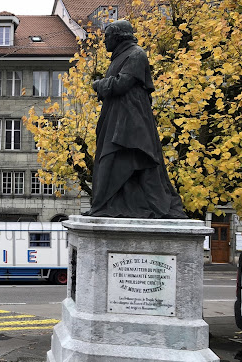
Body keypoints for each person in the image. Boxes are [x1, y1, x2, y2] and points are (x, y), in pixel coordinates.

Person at [87, 20, 187, 218]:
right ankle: (113, 205)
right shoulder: (120, 57)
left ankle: (150, 206)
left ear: (118, 36)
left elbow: (122, 83)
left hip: (131, 119)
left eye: (107, 37)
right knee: (113, 159)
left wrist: (99, 84)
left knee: (126, 158)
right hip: (118, 117)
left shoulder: (136, 54)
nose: (104, 41)